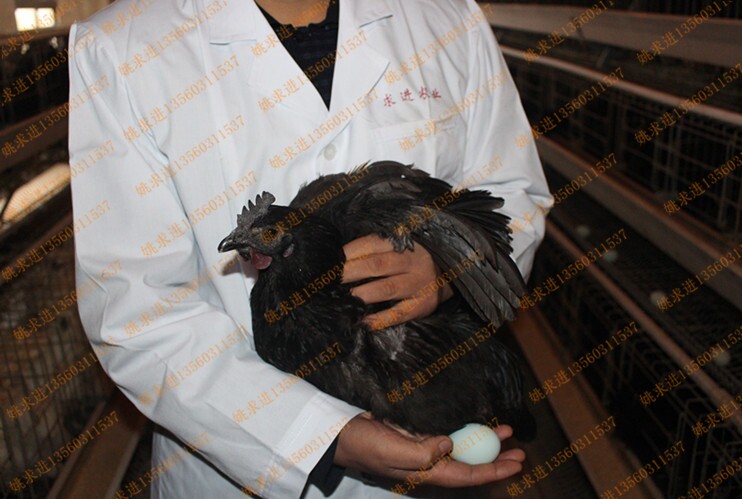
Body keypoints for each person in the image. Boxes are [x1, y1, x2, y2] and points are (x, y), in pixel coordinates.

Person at [67, 0, 552, 497]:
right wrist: (317, 436)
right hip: (236, 468)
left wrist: (456, 264)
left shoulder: (446, 14)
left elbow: (512, 189)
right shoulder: (121, 45)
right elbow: (140, 310)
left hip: (435, 414)